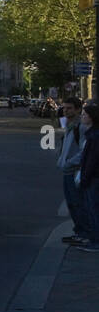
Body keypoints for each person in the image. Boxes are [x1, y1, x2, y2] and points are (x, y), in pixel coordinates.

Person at [60, 97, 89, 245]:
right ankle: (79, 232)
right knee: (72, 203)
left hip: (75, 171)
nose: (65, 110)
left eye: (69, 108)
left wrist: (69, 163)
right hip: (68, 171)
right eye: (64, 108)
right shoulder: (69, 124)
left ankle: (84, 233)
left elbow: (84, 151)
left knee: (77, 203)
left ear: (78, 109)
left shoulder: (81, 127)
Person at [77, 103, 99, 252]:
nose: (82, 117)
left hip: (93, 178)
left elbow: (92, 160)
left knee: (93, 209)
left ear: (91, 117)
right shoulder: (92, 133)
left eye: (84, 114)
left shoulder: (94, 135)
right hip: (92, 176)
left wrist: (84, 177)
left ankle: (96, 241)